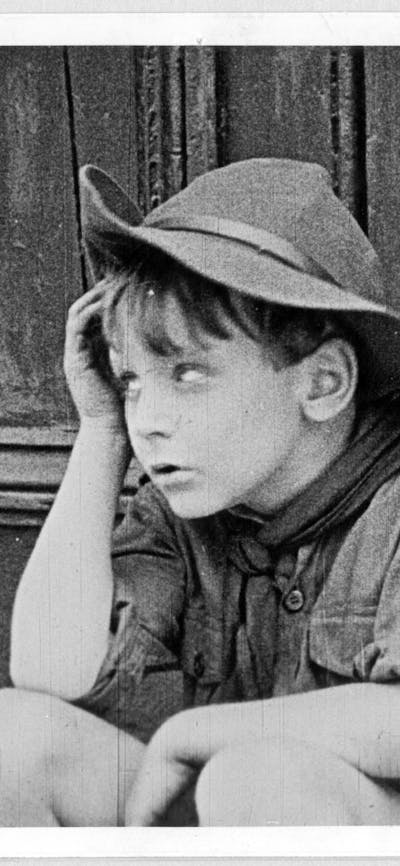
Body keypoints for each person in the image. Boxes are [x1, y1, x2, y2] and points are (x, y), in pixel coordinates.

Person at [5, 157, 400, 826]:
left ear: (324, 382)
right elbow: (53, 673)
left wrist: (191, 736)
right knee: (14, 735)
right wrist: (101, 430)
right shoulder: (186, 505)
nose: (149, 420)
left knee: (256, 778)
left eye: (188, 375)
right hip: (222, 819)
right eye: (133, 382)